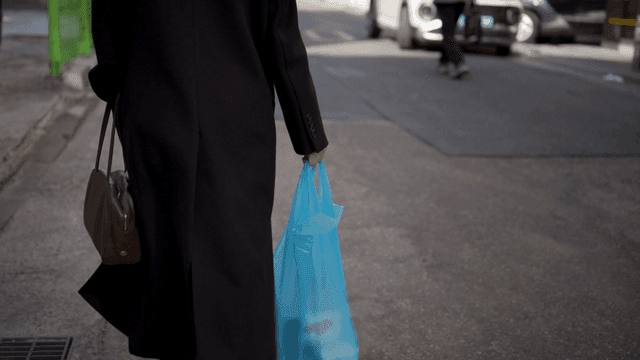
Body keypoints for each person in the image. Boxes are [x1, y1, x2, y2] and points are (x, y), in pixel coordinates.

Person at [78, 0, 328, 359]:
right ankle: (240, 346)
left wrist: (115, 83)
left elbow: (108, 19)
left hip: (154, 104)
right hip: (238, 113)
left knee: (164, 235)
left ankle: (175, 344)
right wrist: (308, 132)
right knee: (238, 237)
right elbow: (281, 35)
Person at [434, 0, 471, 79]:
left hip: (447, 2)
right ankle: (444, 62)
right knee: (449, 30)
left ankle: (459, 62)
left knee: (448, 32)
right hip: (459, 2)